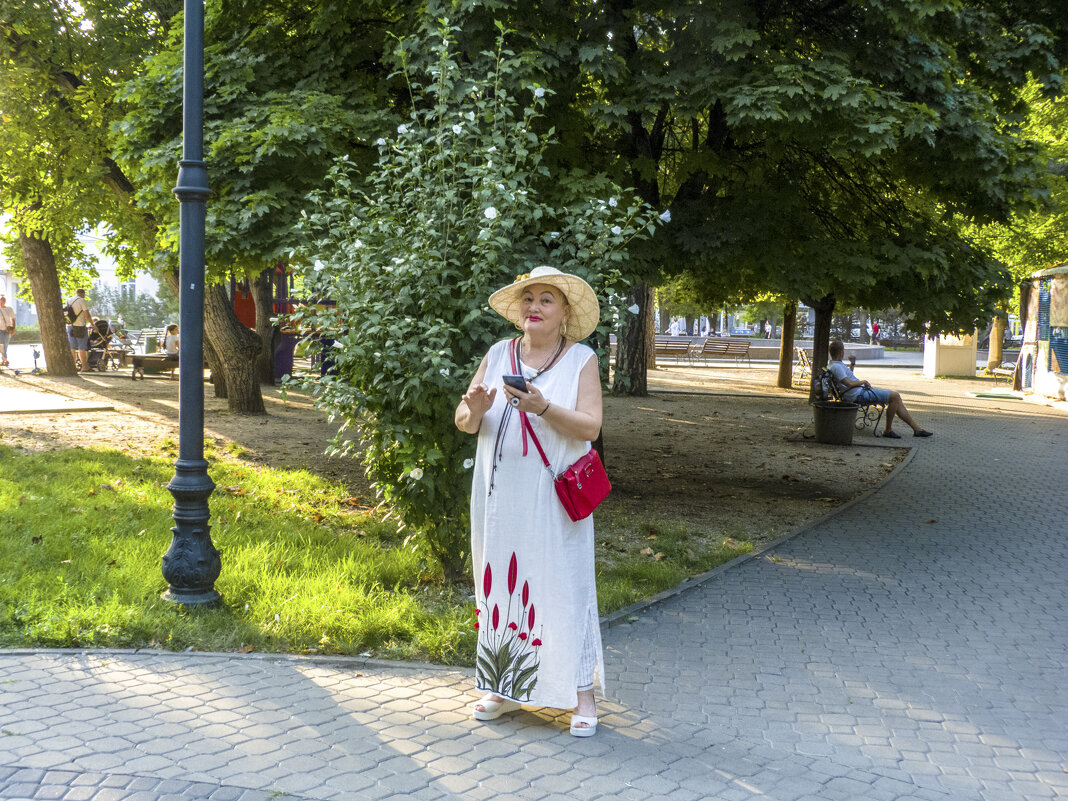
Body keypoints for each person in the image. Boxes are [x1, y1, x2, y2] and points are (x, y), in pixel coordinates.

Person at [454, 265, 605, 737]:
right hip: (500, 496)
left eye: (546, 299)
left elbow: (590, 428)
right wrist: (474, 410)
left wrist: (542, 407)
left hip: (553, 495)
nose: (534, 306)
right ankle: (503, 687)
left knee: (565, 583)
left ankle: (582, 694)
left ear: (564, 314)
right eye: (529, 298)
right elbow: (465, 418)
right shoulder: (499, 352)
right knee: (500, 585)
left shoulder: (581, 359)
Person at [827, 340, 932, 438]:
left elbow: (847, 379)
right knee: (894, 396)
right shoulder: (837, 367)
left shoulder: (834, 365)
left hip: (858, 391)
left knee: (896, 399)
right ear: (841, 352)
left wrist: (852, 365)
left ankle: (917, 429)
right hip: (858, 394)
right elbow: (849, 383)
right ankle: (888, 430)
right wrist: (863, 381)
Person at [66, 289, 95, 372]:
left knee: (72, 347)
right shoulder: (82, 300)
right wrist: (93, 325)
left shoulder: (69, 300)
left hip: (70, 326)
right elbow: (87, 314)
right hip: (80, 326)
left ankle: (73, 366)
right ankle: (84, 367)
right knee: (82, 347)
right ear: (83, 294)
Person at [0, 295, 15, 367]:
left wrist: (14, 328)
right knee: (1, 344)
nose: (1, 304)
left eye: (2, 303)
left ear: (4, 302)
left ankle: (4, 359)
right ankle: (4, 359)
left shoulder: (9, 309)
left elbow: (13, 319)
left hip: (7, 330)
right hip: (0, 330)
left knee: (5, 345)